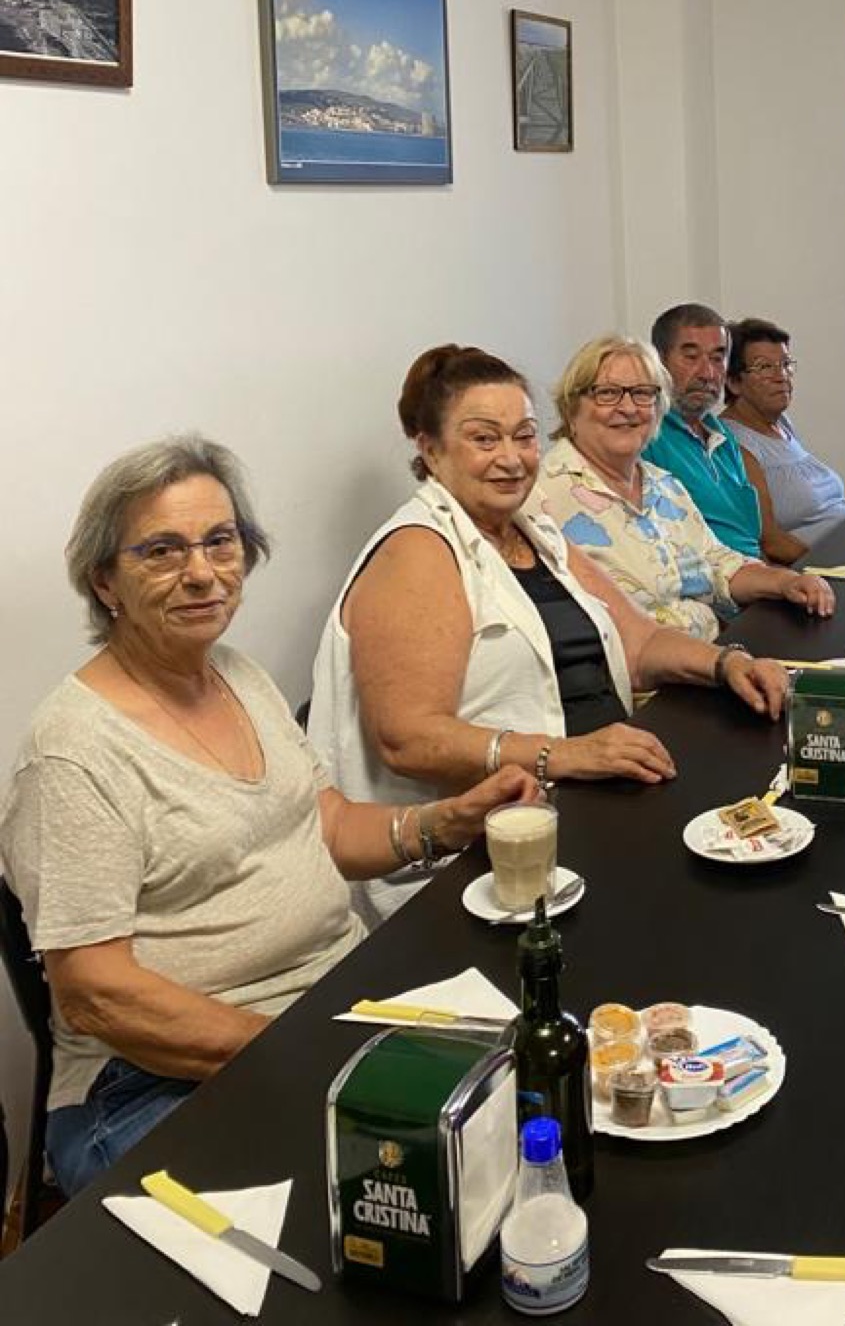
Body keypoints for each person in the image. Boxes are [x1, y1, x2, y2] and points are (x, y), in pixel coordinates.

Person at [0, 436, 537, 1194]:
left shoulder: (234, 674)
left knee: (523, 1095)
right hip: (156, 1083)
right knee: (393, 1196)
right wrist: (299, 1053)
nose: (201, 573)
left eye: (219, 542)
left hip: (327, 1004)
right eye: (161, 551)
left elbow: (325, 827)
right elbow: (96, 992)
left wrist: (446, 822)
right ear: (105, 581)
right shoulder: (72, 753)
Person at [307, 345, 790, 921]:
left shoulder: (529, 531)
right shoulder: (418, 551)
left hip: (589, 801)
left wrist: (727, 663)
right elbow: (408, 738)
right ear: (430, 449)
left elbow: (636, 642)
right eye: (485, 439)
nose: (512, 459)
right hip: (485, 863)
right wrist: (569, 756)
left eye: (524, 436)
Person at [527, 334, 835, 639]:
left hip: (714, 650)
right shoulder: (541, 496)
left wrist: (785, 581)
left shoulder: (664, 485)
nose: (629, 408)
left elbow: (718, 563)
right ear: (571, 407)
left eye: (642, 393)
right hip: (648, 668)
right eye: (607, 393)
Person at [642, 302, 782, 560]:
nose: (707, 373)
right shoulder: (645, 435)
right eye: (691, 357)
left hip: (753, 572)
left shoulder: (722, 436)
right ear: (658, 361)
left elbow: (750, 538)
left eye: (717, 359)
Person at [721, 318, 845, 551]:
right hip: (813, 564)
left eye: (785, 364)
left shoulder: (781, 424)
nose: (781, 376)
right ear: (734, 382)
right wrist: (833, 564)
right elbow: (769, 541)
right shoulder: (733, 441)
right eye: (764, 367)